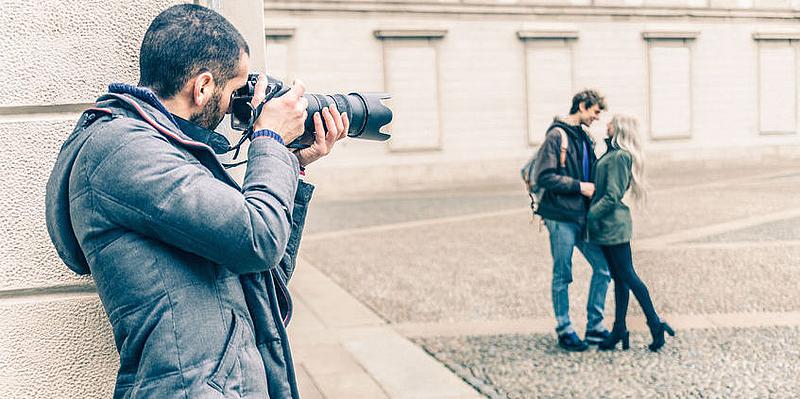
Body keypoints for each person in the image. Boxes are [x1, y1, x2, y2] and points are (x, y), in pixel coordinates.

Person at [44, 4, 348, 398]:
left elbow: (263, 275)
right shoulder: (125, 151)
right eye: (235, 91)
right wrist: (269, 139)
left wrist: (292, 164)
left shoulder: (169, 151)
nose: (236, 106)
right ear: (203, 86)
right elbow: (258, 240)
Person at [588, 114, 675, 352]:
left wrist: (589, 216)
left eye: (611, 123)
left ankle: (654, 323)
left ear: (620, 129)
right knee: (621, 278)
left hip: (613, 226)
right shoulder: (613, 154)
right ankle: (619, 329)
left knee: (628, 276)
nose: (607, 124)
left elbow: (611, 195)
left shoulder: (619, 157)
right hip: (610, 226)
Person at [533, 89, 612, 351]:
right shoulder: (557, 135)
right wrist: (580, 186)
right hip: (560, 216)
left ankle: (595, 325)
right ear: (582, 106)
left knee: (604, 268)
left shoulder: (585, 137)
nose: (597, 118)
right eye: (595, 112)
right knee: (563, 273)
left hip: (583, 216)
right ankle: (565, 328)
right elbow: (544, 176)